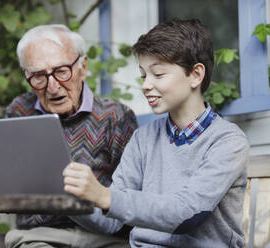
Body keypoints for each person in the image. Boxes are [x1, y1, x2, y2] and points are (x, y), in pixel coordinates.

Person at [63, 18, 250, 248]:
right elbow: (111, 221)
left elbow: (185, 214)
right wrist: (62, 198)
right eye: (143, 75)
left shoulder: (228, 142)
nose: (145, 85)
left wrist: (103, 195)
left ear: (195, 75)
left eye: (158, 74)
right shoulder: (143, 139)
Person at [0, 24, 138, 248]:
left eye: (61, 71)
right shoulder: (21, 110)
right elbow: (6, 200)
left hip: (102, 239)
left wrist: (71, 196)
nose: (52, 87)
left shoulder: (116, 117)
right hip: (38, 238)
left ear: (83, 67)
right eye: (38, 76)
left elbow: (127, 209)